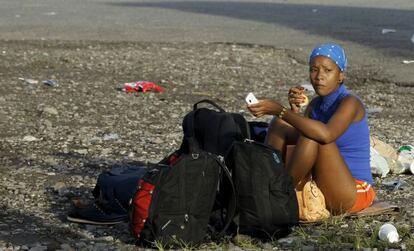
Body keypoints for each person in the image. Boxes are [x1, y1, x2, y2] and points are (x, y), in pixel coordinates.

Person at [247, 43, 375, 215]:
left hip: (354, 190)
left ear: (340, 76)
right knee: (280, 124)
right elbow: (300, 142)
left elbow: (325, 135)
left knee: (311, 135)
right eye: (314, 70)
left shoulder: (350, 103)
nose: (319, 76)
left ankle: (281, 193)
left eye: (327, 71)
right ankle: (268, 180)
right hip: (323, 182)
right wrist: (294, 112)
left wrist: (280, 110)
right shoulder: (315, 105)